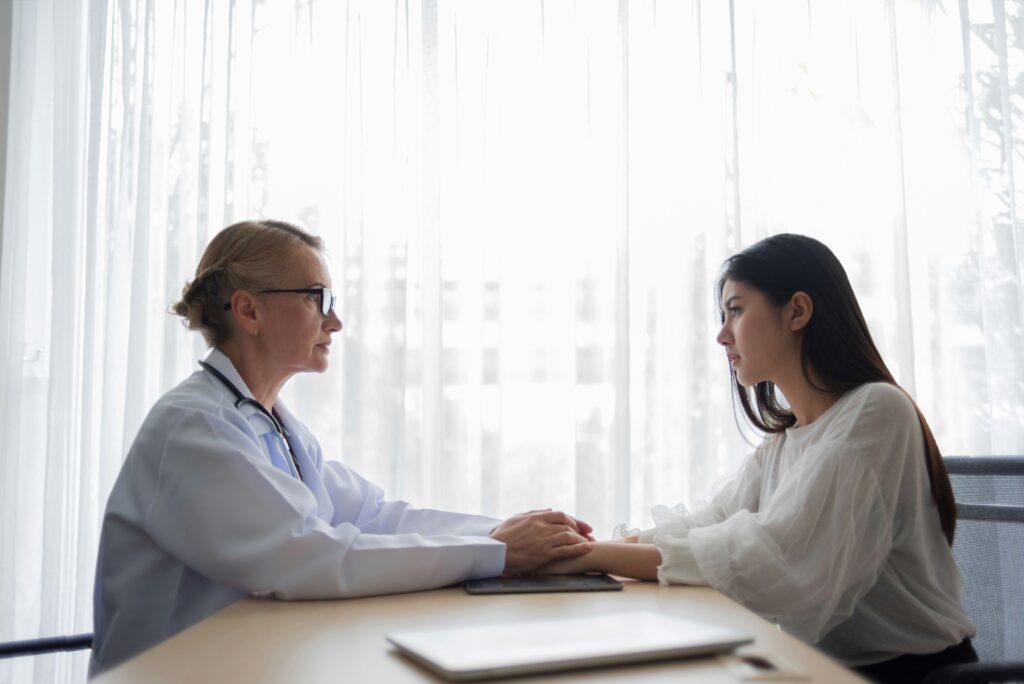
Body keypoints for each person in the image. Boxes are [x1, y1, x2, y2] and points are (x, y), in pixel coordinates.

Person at [90, 220, 593, 676]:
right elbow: (308, 556)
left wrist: (506, 533)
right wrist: (499, 552)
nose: (335, 322)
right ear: (248, 310)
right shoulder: (192, 428)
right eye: (317, 298)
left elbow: (378, 517)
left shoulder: (273, 424)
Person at [537, 234, 976, 683]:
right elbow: (706, 525)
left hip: (915, 675)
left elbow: (777, 559)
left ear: (797, 311)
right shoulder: (784, 446)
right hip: (823, 669)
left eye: (736, 310)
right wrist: (578, 547)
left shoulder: (877, 410)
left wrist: (591, 557)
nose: (721, 334)